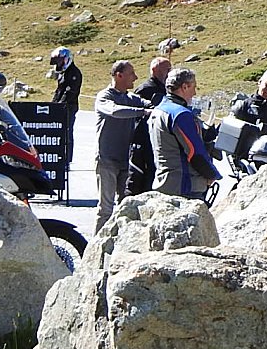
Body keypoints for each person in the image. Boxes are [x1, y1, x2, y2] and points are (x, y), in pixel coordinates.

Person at [93, 60, 151, 231]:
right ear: (119, 75)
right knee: (105, 209)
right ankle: (96, 244)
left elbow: (148, 104)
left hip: (126, 161)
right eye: (131, 73)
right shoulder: (104, 97)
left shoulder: (131, 98)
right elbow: (115, 111)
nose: (135, 77)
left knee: (125, 206)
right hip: (106, 160)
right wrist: (142, 112)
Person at [144, 67, 220, 199]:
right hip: (185, 186)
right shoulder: (181, 114)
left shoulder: (159, 109)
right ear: (185, 87)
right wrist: (212, 175)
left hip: (164, 181)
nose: (194, 93)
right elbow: (194, 153)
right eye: (194, 87)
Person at [50, 47, 83, 167]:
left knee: (67, 132)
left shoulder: (74, 73)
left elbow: (70, 93)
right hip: (60, 107)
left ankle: (67, 159)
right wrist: (52, 105)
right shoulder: (62, 73)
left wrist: (60, 106)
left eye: (60, 61)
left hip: (69, 107)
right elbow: (59, 91)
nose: (58, 64)